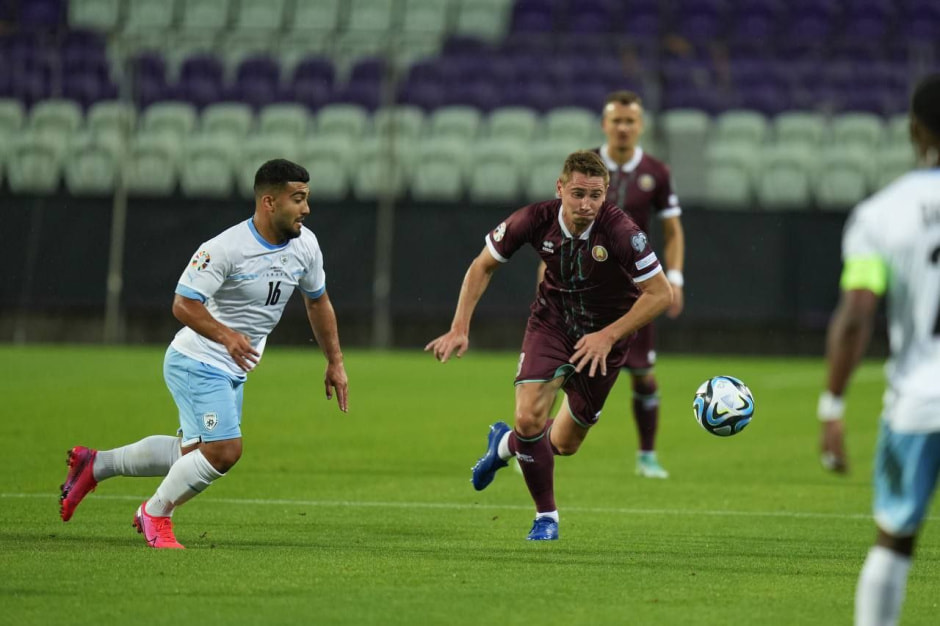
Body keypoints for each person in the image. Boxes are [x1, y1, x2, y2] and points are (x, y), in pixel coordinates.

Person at [59, 159, 349, 549]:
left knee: (193, 452)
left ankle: (96, 464)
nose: (306, 209)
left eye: (307, 199)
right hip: (197, 361)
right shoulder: (225, 248)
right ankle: (155, 513)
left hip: (232, 367)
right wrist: (227, 336)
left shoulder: (306, 245)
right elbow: (183, 304)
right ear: (268, 201)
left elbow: (318, 302)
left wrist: (335, 361)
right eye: (297, 199)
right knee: (224, 450)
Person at [426, 151, 673, 540]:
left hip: (605, 341)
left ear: (606, 194)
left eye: (595, 195)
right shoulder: (533, 218)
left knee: (564, 443)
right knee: (529, 419)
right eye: (577, 194)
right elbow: (482, 265)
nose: (586, 204)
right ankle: (547, 517)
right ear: (560, 189)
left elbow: (661, 294)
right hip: (552, 324)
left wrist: (608, 335)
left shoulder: (623, 232)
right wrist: (459, 327)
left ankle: (503, 446)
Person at [817, 74, 940, 625]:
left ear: (915, 131)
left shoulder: (881, 214)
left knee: (894, 539)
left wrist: (833, 406)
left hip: (918, 403)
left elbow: (857, 315)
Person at [540, 90, 686, 479]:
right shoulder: (584, 168)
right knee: (557, 370)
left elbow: (672, 231)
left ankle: (647, 455)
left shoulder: (657, 172)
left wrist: (674, 277)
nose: (623, 127)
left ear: (640, 127)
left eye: (630, 121)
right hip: (580, 288)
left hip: (636, 292)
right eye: (616, 121)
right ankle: (534, 446)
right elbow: (556, 226)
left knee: (644, 374)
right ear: (604, 125)